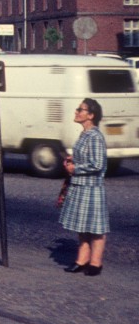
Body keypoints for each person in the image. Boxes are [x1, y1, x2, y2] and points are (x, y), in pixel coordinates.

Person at [59, 97, 109, 276]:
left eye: (80, 109)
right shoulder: (85, 134)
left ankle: (95, 263)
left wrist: (75, 168)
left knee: (95, 227)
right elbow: (88, 157)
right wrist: (74, 159)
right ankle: (82, 259)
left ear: (91, 115)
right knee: (83, 227)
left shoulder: (95, 136)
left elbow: (97, 164)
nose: (76, 112)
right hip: (80, 186)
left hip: (91, 187)